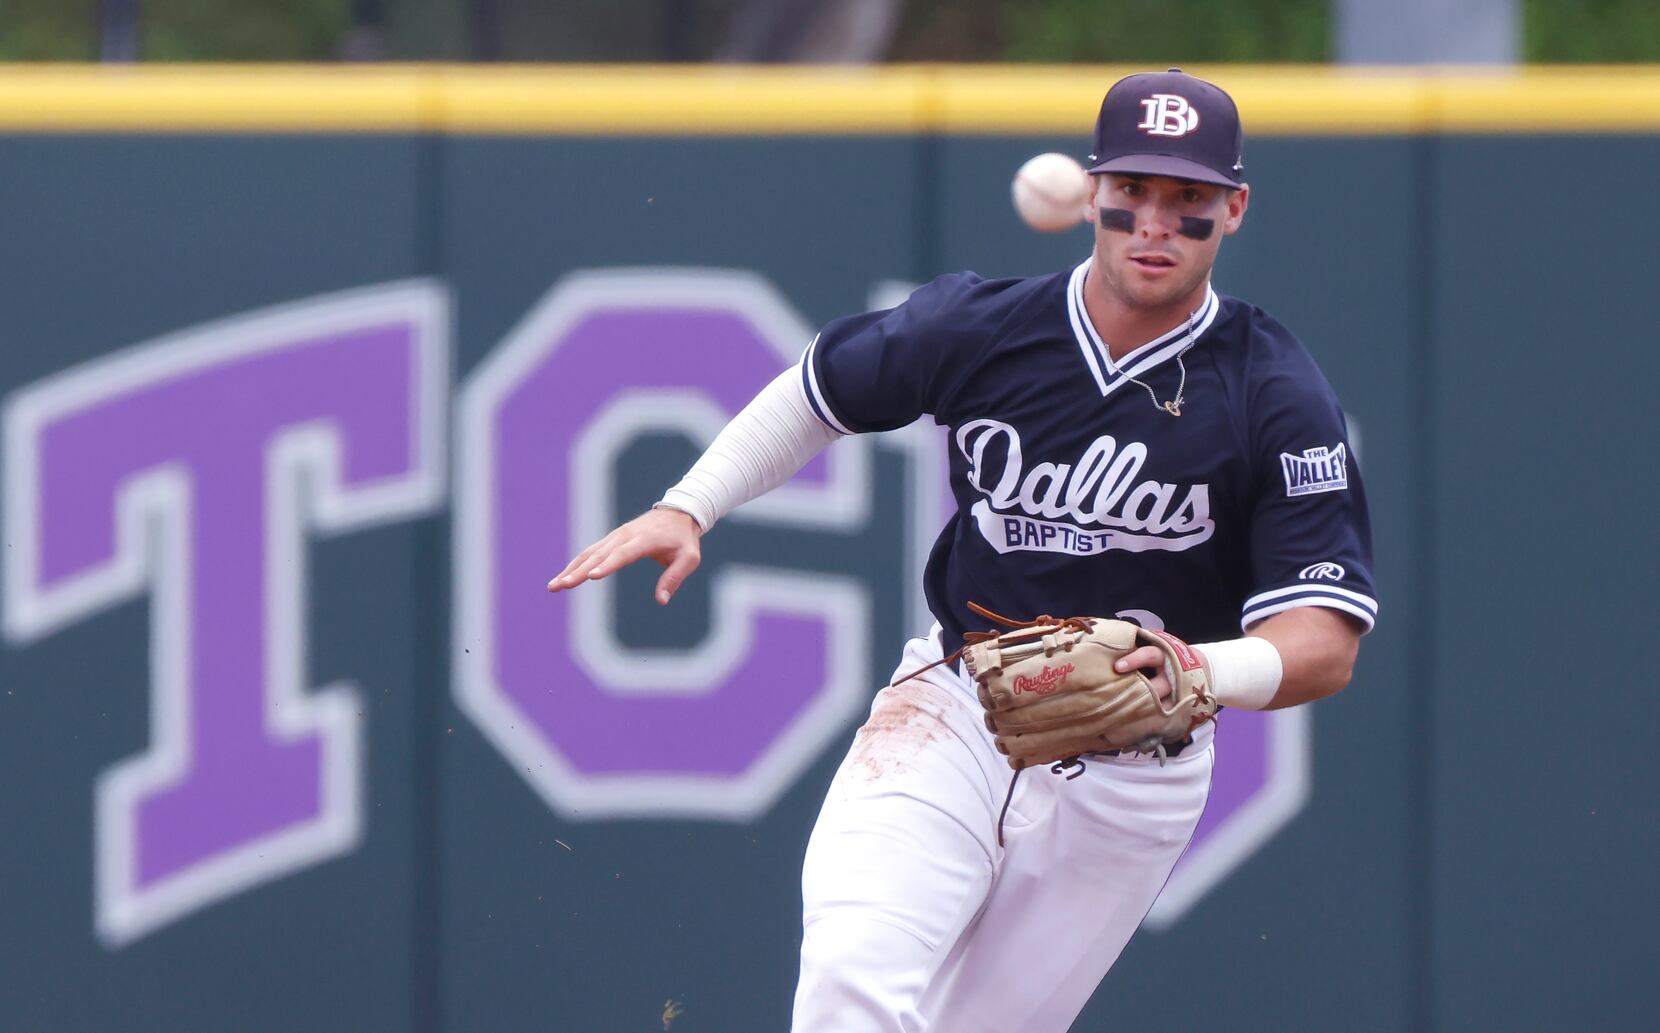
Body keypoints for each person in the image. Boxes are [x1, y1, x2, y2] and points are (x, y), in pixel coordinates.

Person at [549, 68, 1376, 1033]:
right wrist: (689, 504)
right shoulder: (984, 328)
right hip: (955, 706)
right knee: (850, 984)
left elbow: (1326, 642)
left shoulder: (1274, 389)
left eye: (1188, 199)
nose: (1156, 223)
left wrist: (1206, 665)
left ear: (1233, 209)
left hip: (1137, 765)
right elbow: (821, 391)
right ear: (1095, 194)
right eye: (1135, 193)